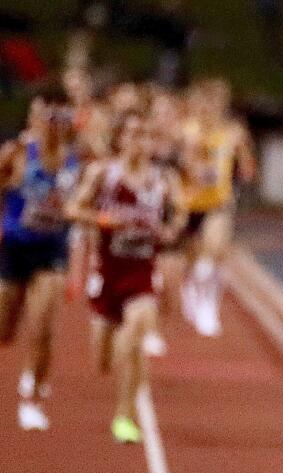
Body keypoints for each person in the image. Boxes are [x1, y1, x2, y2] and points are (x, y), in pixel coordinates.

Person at [0, 85, 80, 431]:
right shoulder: (17, 153)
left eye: (61, 116)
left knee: (43, 328)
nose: (54, 123)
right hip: (15, 249)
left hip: (52, 250)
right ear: (35, 118)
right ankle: (32, 368)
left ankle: (32, 395)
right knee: (4, 333)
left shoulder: (76, 157)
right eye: (47, 115)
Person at [67, 112, 186, 443]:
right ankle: (126, 384)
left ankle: (124, 415)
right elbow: (73, 209)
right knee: (103, 360)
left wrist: (170, 230)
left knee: (133, 335)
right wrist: (103, 220)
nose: (140, 141)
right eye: (133, 134)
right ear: (120, 139)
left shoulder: (163, 179)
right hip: (106, 274)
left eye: (146, 135)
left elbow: (181, 213)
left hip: (141, 274)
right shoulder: (103, 173)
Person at [178, 78, 257, 336]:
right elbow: (184, 165)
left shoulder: (232, 133)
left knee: (215, 253)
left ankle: (209, 306)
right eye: (205, 103)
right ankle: (190, 290)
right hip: (190, 203)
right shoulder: (188, 131)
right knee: (193, 262)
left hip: (218, 203)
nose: (209, 109)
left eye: (216, 104)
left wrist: (244, 164)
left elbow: (246, 167)